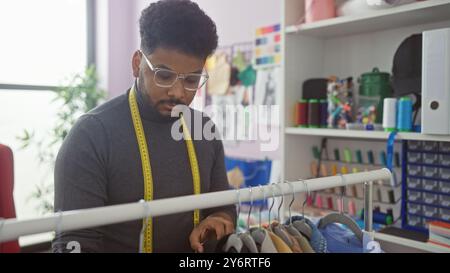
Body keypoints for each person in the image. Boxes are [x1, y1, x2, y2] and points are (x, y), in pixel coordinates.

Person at [52, 0, 236, 253]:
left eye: (192, 80)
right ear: (137, 63)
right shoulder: (91, 135)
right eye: (163, 75)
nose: (178, 92)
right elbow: (74, 241)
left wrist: (219, 220)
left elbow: (223, 206)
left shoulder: (204, 129)